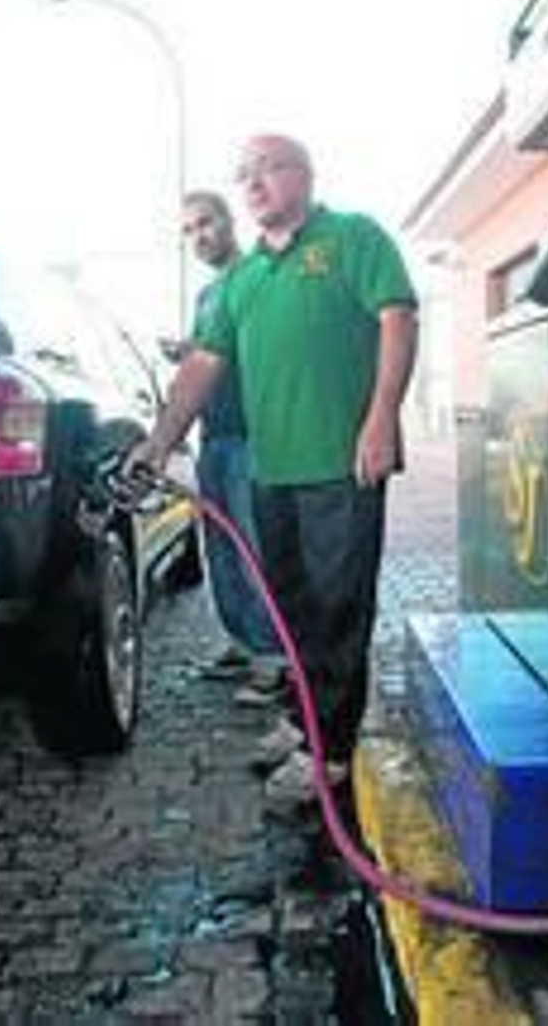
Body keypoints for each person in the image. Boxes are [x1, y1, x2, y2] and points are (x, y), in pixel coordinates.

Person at [131, 134, 419, 811]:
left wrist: (382, 416)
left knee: (339, 608)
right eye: (242, 174)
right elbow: (203, 365)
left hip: (343, 465)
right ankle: (305, 718)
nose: (252, 182)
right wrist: (158, 441)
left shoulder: (352, 237)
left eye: (266, 168)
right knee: (291, 609)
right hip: (271, 470)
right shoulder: (242, 279)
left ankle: (333, 755)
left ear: (304, 173)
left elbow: (397, 319)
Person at [168, 190, 284, 691]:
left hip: (251, 435)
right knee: (220, 549)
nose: (199, 236)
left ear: (230, 221)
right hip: (212, 435)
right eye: (189, 230)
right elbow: (209, 358)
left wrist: (201, 353)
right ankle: (242, 642)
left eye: (206, 223)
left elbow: (265, 351)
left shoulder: (257, 276)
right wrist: (189, 353)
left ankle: (275, 660)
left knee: (252, 549)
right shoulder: (206, 296)